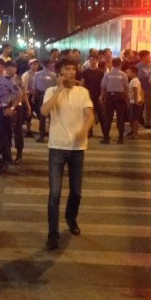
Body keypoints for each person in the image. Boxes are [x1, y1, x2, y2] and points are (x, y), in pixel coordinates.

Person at [41, 57, 94, 250]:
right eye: (67, 69)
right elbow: (44, 111)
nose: (71, 72)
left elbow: (90, 115)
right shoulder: (51, 91)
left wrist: (84, 130)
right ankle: (53, 234)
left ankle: (71, 218)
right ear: (59, 72)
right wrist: (59, 90)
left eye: (73, 69)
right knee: (54, 193)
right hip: (57, 147)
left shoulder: (83, 92)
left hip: (77, 148)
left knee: (76, 191)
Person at [100, 56, 129, 144]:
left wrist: (102, 97)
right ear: (120, 64)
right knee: (120, 118)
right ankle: (120, 138)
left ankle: (106, 138)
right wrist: (127, 98)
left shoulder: (107, 74)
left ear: (112, 64)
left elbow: (103, 87)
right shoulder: (123, 74)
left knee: (108, 118)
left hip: (109, 96)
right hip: (120, 96)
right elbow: (126, 87)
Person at [81, 52, 104, 137]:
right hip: (87, 95)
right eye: (91, 60)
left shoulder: (101, 72)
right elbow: (82, 83)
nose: (92, 61)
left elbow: (102, 85)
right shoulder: (85, 72)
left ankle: (105, 133)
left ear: (97, 61)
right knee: (88, 114)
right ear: (89, 60)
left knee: (101, 114)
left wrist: (101, 95)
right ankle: (89, 131)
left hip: (97, 95)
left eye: (94, 60)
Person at [126, 64, 144, 139]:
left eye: (129, 72)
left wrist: (136, 100)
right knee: (131, 118)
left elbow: (135, 91)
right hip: (132, 101)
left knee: (135, 119)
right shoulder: (133, 80)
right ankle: (133, 132)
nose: (128, 73)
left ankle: (135, 134)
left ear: (134, 73)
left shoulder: (135, 81)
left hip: (135, 102)